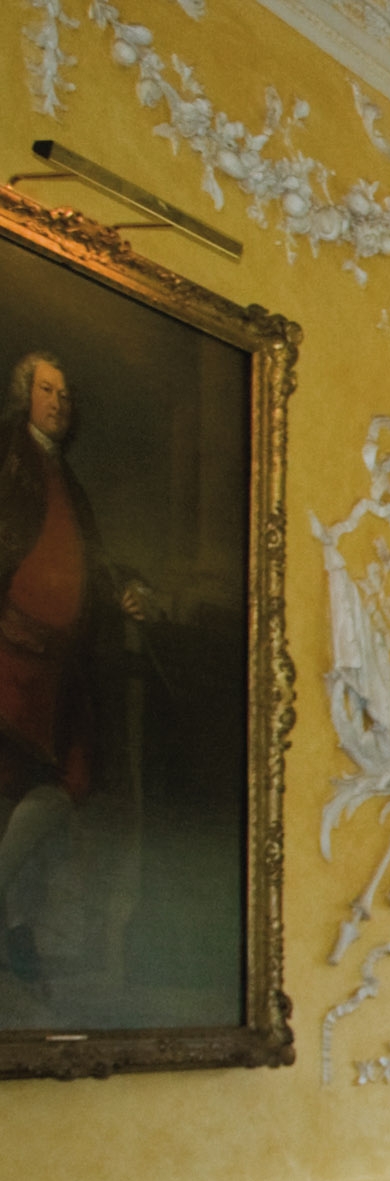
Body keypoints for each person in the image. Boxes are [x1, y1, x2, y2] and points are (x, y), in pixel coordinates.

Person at [0, 351, 126, 981]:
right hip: (13, 651)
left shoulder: (64, 476)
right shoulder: (11, 462)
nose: (59, 402)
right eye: (48, 390)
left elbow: (88, 559)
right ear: (25, 395)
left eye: (66, 394)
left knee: (64, 781)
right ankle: (14, 927)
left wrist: (119, 591)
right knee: (18, 780)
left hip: (63, 663)